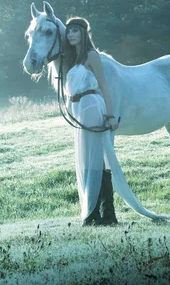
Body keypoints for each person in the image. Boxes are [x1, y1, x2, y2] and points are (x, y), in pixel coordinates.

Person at [62, 17, 120, 226]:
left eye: (75, 31)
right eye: (69, 32)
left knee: (97, 161)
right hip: (81, 110)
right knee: (88, 161)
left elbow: (104, 85)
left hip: (92, 107)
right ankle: (94, 212)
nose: (71, 35)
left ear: (84, 33)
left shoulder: (91, 55)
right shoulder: (74, 58)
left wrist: (111, 114)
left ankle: (107, 213)